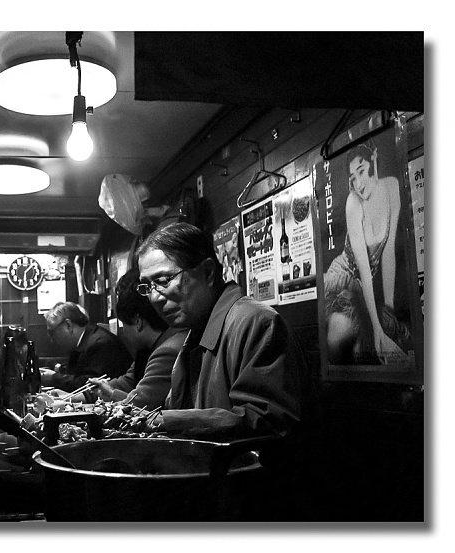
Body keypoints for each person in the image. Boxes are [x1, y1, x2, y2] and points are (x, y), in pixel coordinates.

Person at [137, 222, 312, 442]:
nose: (155, 297)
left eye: (163, 281)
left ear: (208, 272)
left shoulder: (256, 323)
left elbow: (268, 421)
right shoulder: (195, 332)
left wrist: (168, 421)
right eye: (147, 286)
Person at [324, 142, 410, 365]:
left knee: (389, 330)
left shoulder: (392, 187)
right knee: (345, 338)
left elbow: (388, 253)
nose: (358, 184)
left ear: (374, 160)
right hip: (343, 277)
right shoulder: (353, 203)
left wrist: (389, 315)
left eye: (361, 171)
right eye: (353, 178)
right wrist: (378, 329)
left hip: (365, 285)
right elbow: (363, 267)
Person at [86, 269, 188, 409]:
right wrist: (74, 397)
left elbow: (139, 405)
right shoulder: (148, 349)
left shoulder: (166, 351)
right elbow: (126, 382)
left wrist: (111, 393)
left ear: (137, 322)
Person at [40, 301, 132, 393]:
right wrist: (57, 372)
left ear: (68, 325)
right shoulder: (85, 341)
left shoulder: (99, 343)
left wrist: (53, 379)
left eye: (52, 333)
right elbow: (75, 373)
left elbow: (88, 386)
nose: (51, 340)